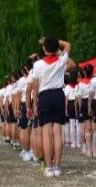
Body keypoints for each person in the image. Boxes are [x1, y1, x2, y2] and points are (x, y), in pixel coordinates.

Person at [28, 36, 75, 177]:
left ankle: (48, 167)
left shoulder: (37, 65)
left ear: (43, 49)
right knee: (58, 133)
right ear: (55, 49)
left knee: (46, 133)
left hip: (45, 96)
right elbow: (68, 45)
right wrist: (56, 43)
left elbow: (35, 86)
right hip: (58, 95)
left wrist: (34, 103)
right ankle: (57, 166)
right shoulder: (61, 61)